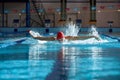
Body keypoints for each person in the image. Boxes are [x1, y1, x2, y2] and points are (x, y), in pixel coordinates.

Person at [29, 30, 100, 43]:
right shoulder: (53, 39)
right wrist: (34, 36)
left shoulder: (69, 38)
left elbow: (81, 38)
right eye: (59, 40)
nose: (60, 41)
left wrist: (93, 36)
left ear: (63, 38)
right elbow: (42, 39)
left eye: (61, 39)